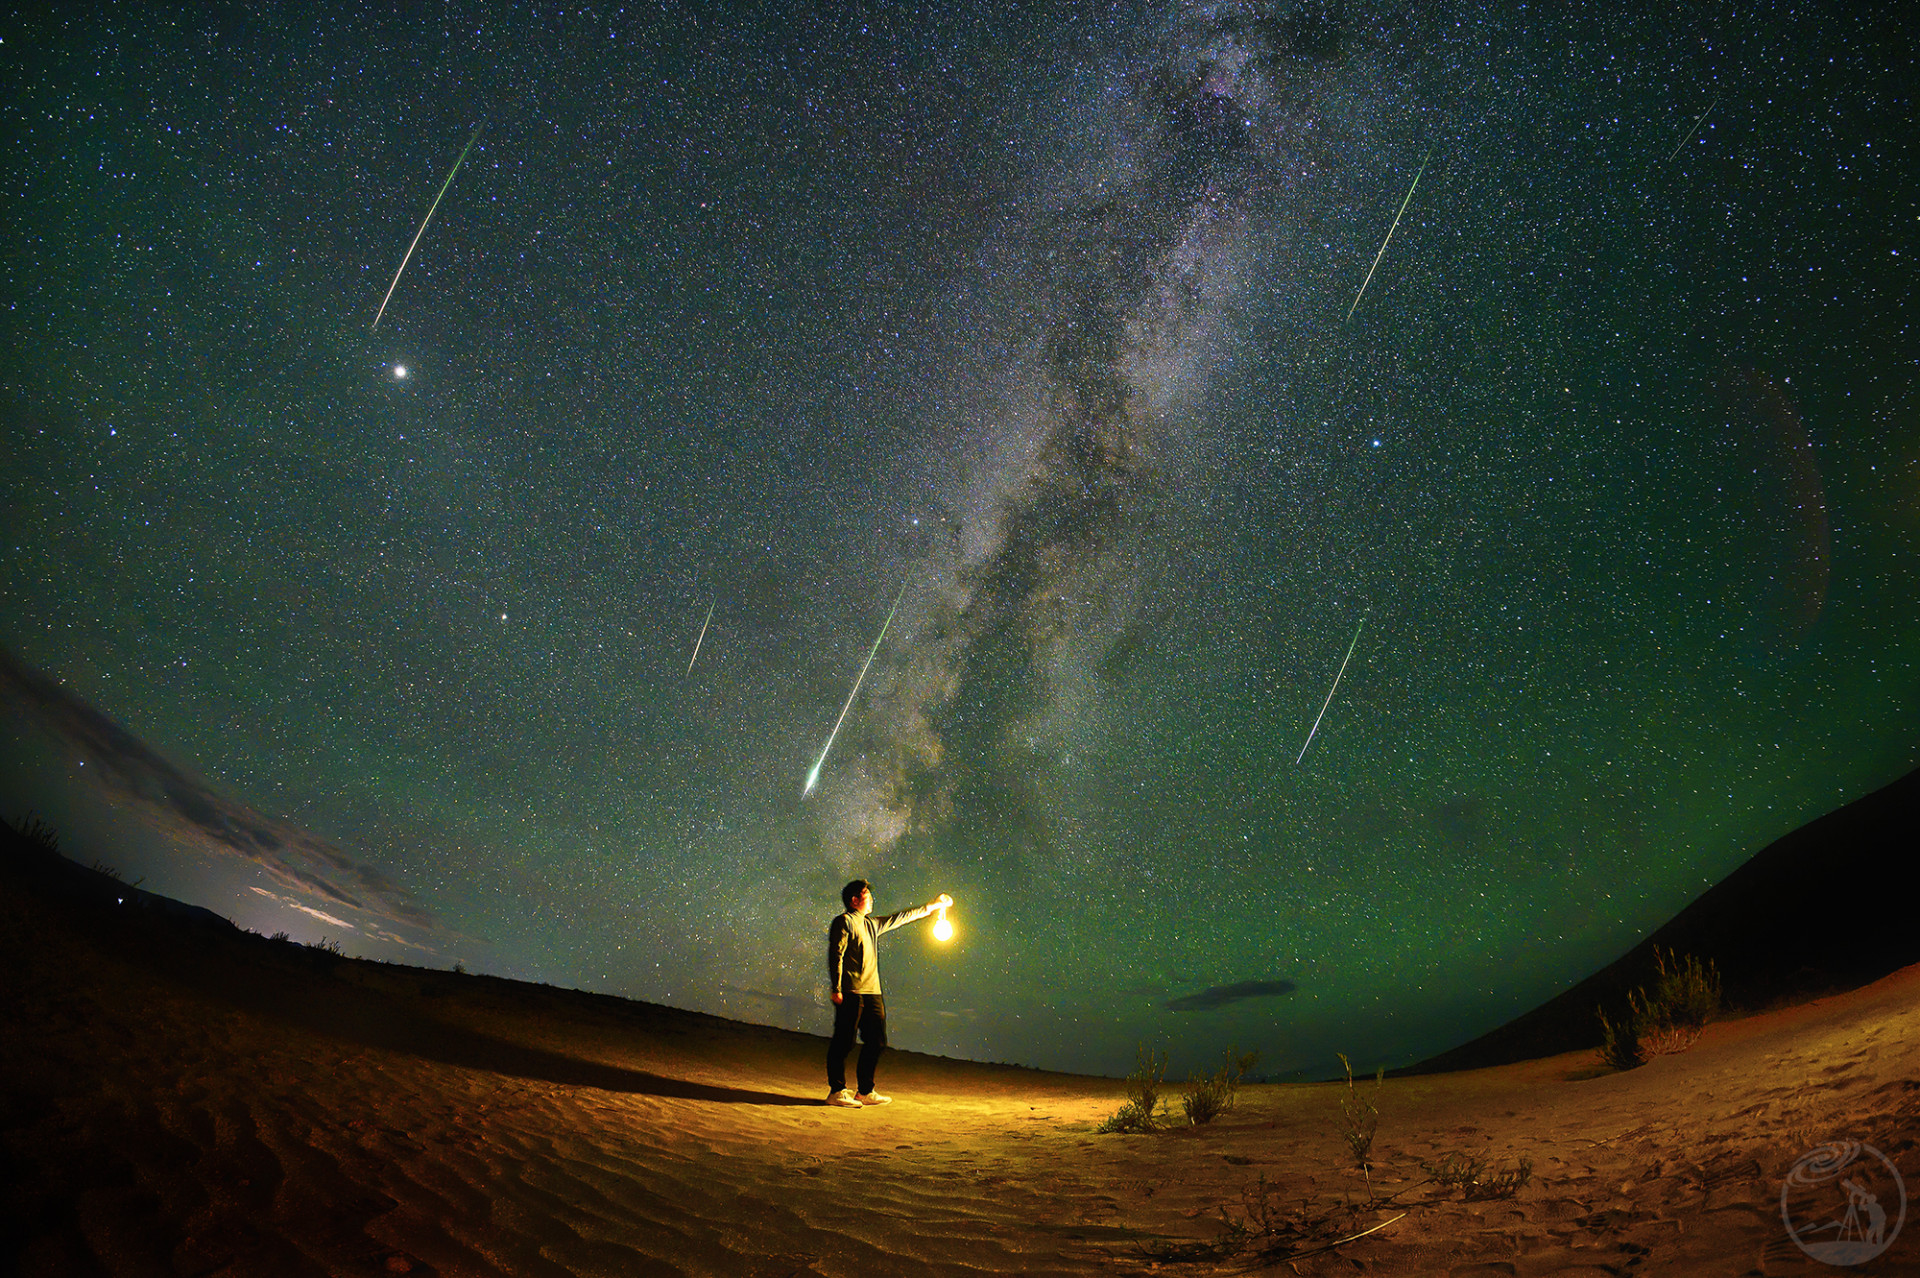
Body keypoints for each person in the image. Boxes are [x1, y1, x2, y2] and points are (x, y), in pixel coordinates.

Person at [825, 879, 951, 1107]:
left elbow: (899, 918)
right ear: (855, 900)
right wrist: (836, 987)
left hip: (873, 992)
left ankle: (865, 1091)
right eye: (866, 895)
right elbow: (837, 955)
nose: (872, 898)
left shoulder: (872, 925)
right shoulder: (844, 922)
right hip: (851, 990)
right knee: (844, 1042)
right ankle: (837, 1091)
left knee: (877, 1041)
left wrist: (932, 907)